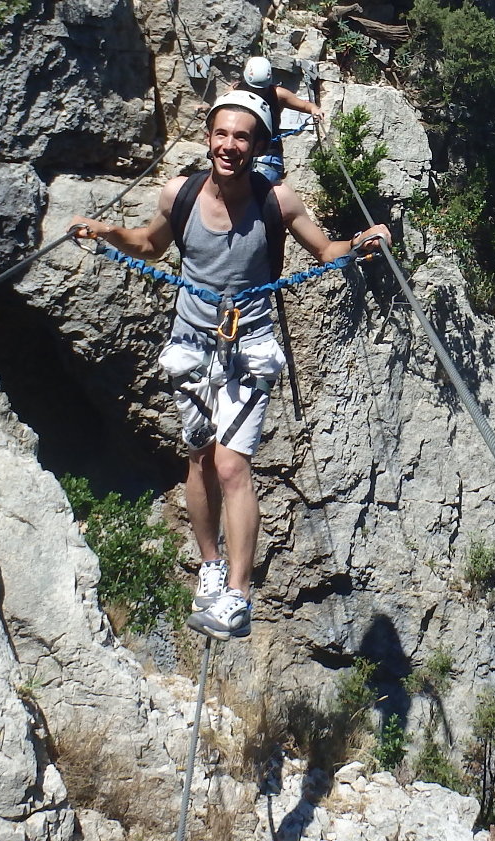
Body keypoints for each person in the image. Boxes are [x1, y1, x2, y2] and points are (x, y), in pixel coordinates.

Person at [71, 90, 389, 640]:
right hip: (192, 343)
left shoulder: (278, 202)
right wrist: (106, 233)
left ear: (259, 145)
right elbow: (149, 244)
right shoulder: (183, 194)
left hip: (249, 345)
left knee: (231, 466)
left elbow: (324, 251)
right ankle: (211, 565)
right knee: (197, 460)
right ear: (208, 138)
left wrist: (362, 241)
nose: (229, 146)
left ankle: (238, 596)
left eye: (242, 137)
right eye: (222, 134)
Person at [241, 55, 323, 185]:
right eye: (255, 88)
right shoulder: (235, 92)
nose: (259, 93)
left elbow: (306, 105)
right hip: (242, 152)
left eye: (262, 89)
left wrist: (314, 110)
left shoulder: (278, 94)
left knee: (263, 197)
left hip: (269, 155)